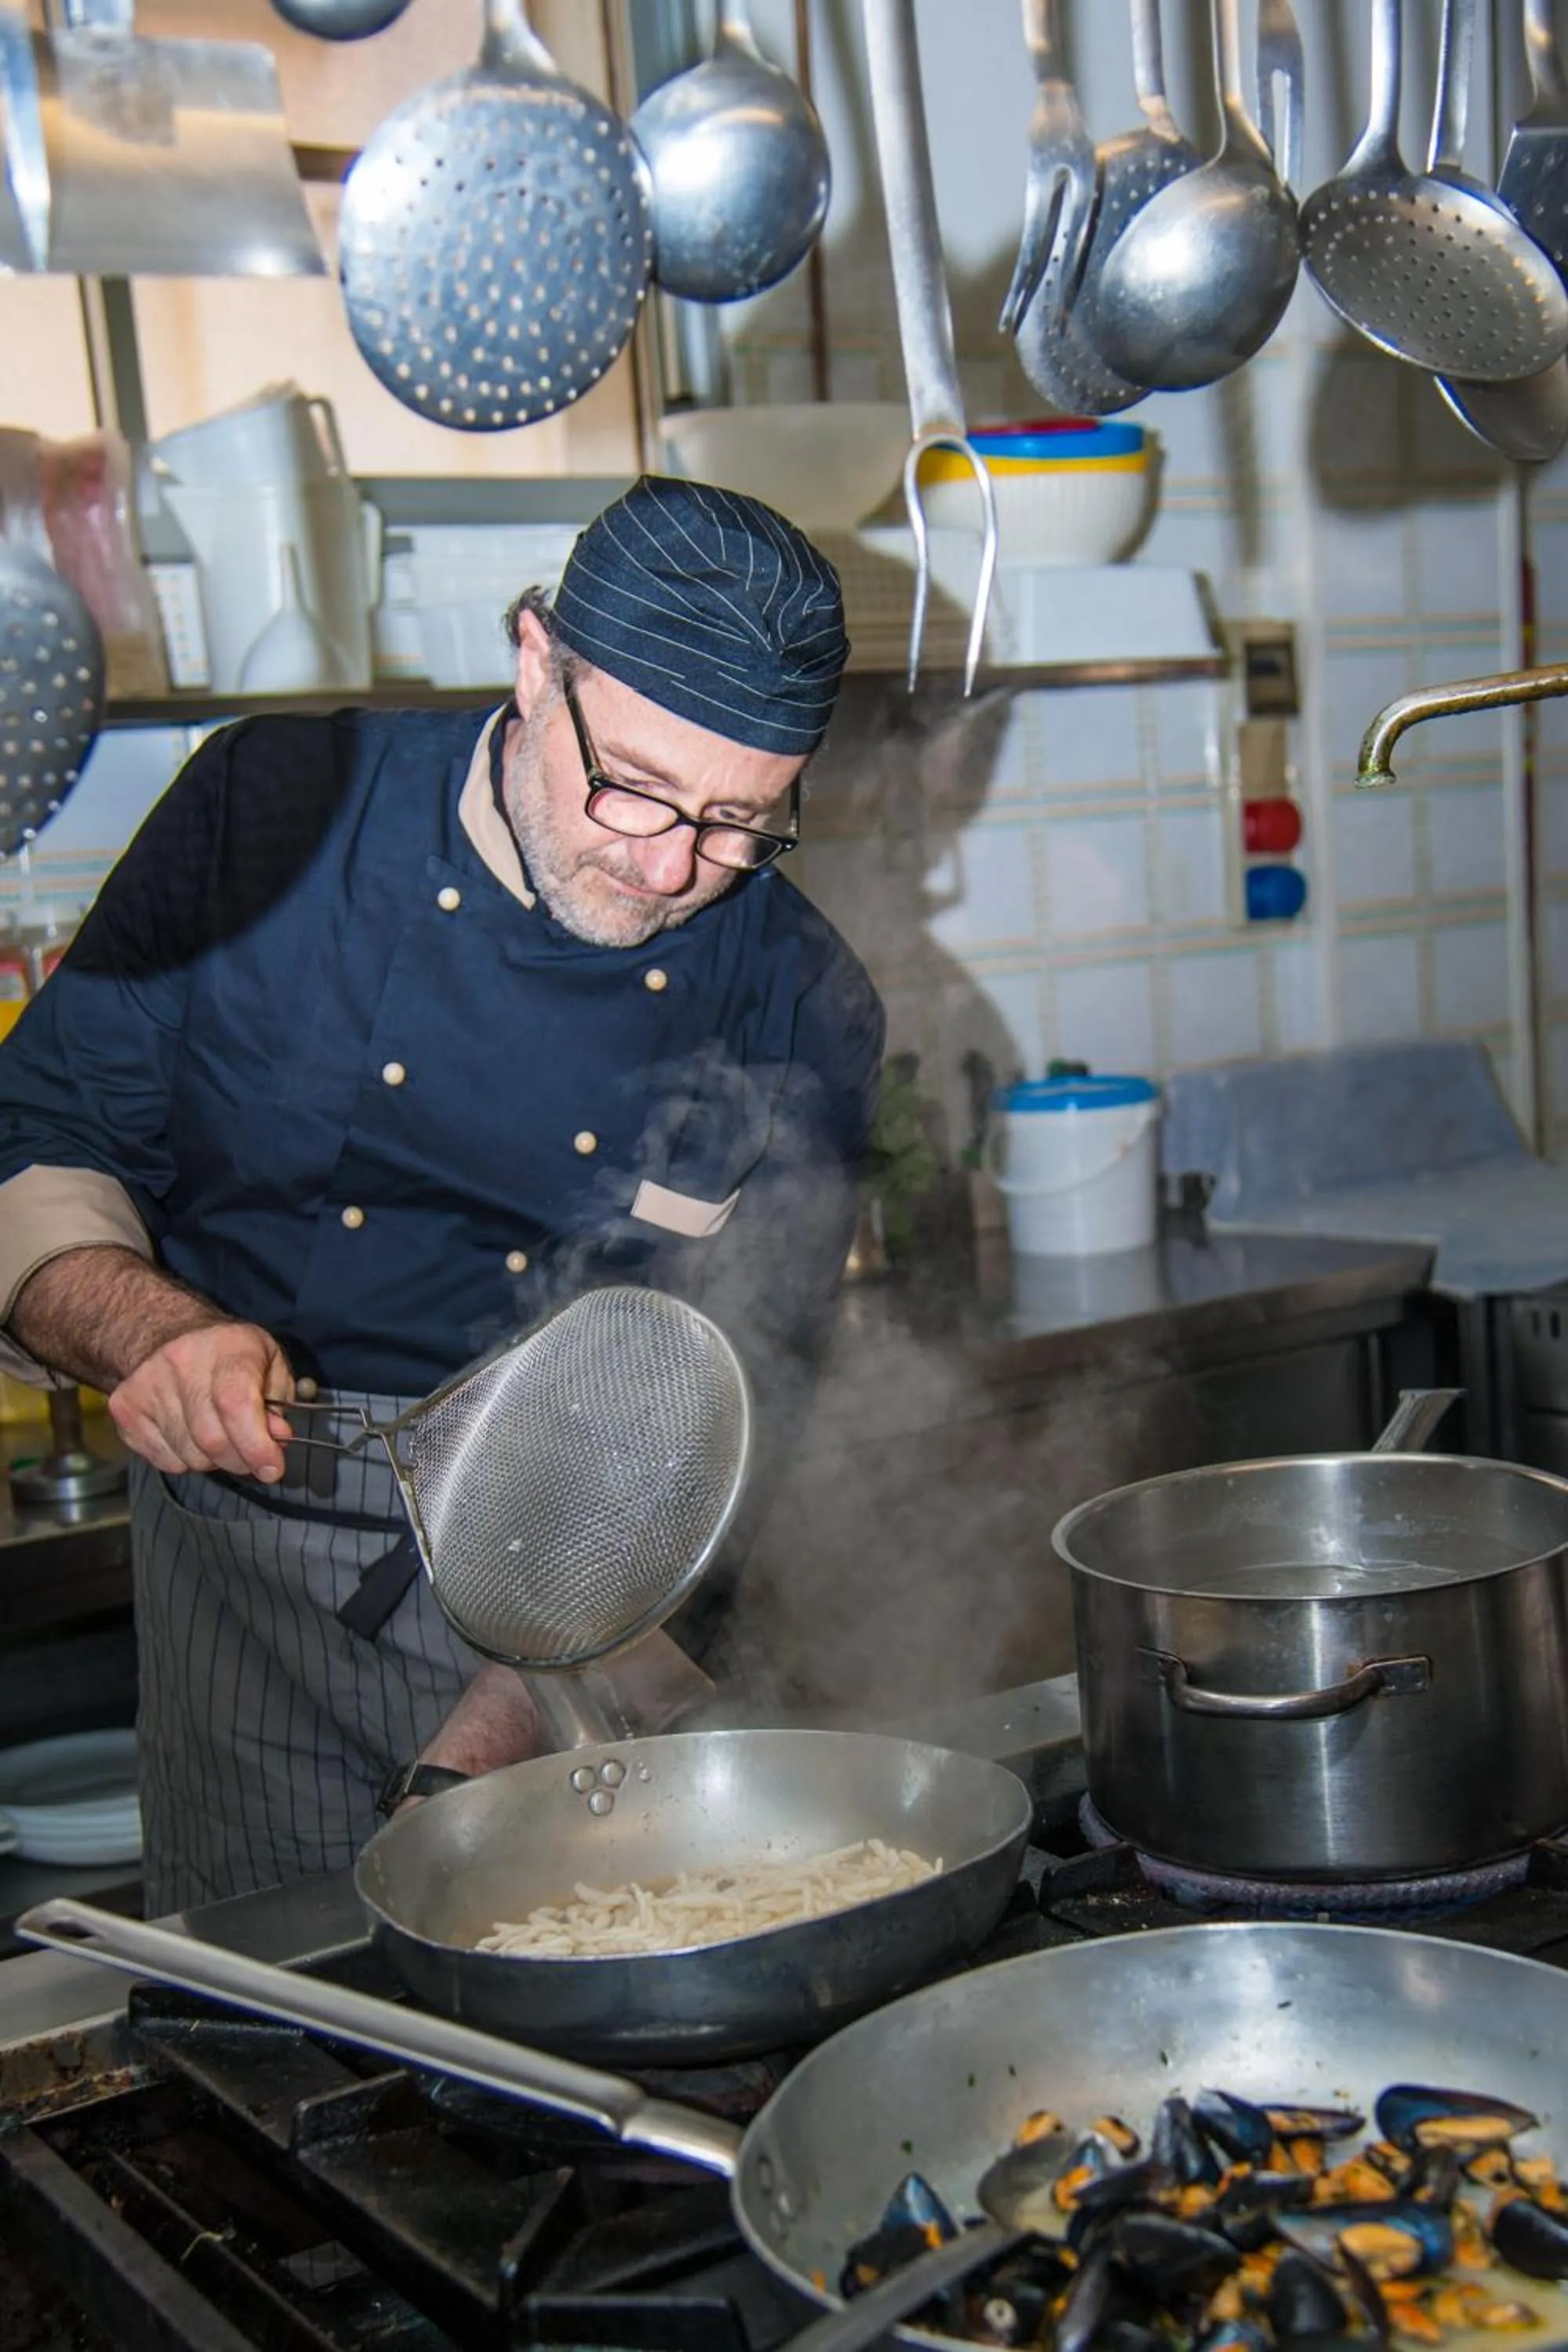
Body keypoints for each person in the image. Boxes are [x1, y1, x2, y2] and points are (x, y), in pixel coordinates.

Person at [0, 474, 884, 1913]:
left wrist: (492, 1742)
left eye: (743, 825)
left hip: (577, 1596)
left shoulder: (804, 1003)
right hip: (242, 1545)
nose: (672, 868)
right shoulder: (267, 815)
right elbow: (36, 1134)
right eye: (636, 788)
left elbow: (735, 1434)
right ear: (536, 662)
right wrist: (148, 1333)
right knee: (268, 2016)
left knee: (536, 2032)